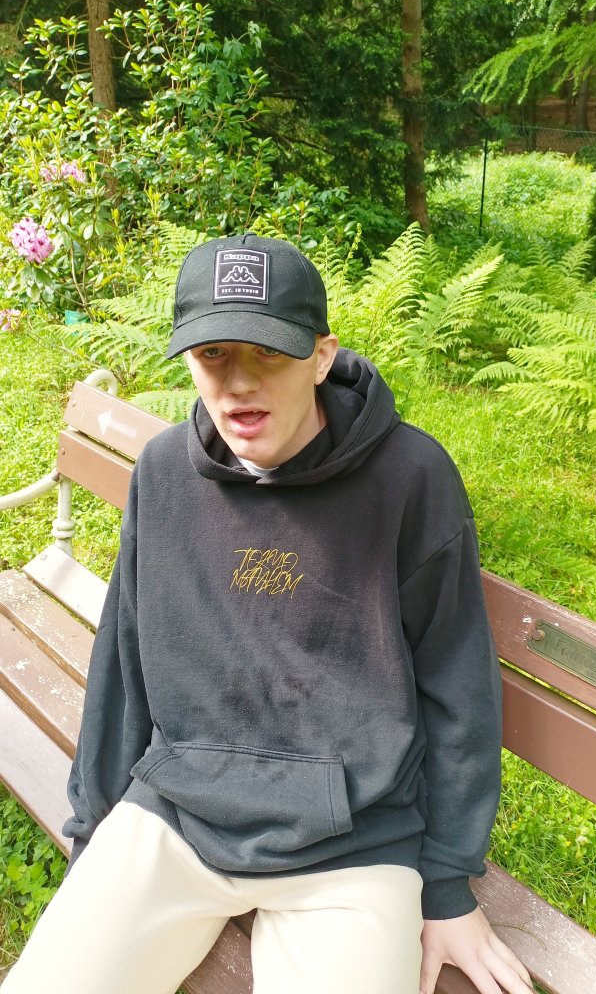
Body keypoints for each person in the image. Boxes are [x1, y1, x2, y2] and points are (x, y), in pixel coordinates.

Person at [2, 234, 532, 994]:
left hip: (354, 847)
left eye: (269, 352)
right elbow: (123, 657)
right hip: (175, 817)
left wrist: (446, 884)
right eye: (213, 353)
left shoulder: (410, 478)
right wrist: (96, 837)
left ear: (321, 356)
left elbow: (458, 685)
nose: (239, 383)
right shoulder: (164, 472)